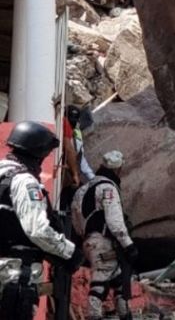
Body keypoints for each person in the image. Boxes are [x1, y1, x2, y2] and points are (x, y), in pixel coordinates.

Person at [0, 121, 84, 319]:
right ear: (37, 153)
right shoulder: (25, 182)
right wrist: (70, 252)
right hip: (13, 276)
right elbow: (38, 231)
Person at [71, 150, 137, 320]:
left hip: (88, 242)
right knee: (100, 281)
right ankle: (94, 315)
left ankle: (125, 314)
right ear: (117, 169)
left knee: (117, 280)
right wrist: (128, 244)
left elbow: (76, 219)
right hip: (103, 243)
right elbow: (115, 221)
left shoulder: (83, 189)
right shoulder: (108, 188)